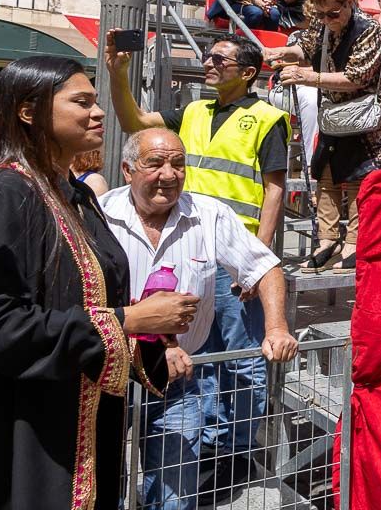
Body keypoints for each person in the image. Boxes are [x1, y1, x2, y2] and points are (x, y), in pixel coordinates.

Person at [0, 56, 193, 510]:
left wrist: (149, 330)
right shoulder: (6, 192)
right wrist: (126, 320)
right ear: (29, 111)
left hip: (90, 419)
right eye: (82, 102)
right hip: (33, 429)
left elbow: (95, 297)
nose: (98, 113)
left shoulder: (77, 195)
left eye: (97, 102)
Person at [106, 29, 290, 478]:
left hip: (232, 257)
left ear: (248, 73)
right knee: (195, 359)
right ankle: (201, 443)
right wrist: (118, 74)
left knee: (242, 361)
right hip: (185, 247)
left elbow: (274, 189)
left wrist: (256, 261)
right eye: (208, 57)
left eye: (220, 60)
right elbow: (134, 122)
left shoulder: (267, 117)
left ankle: (235, 451)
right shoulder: (191, 111)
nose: (209, 64)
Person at [100, 128, 298, 509]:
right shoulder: (100, 215)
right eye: (154, 163)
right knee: (103, 484)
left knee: (175, 495)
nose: (169, 174)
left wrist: (276, 327)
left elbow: (264, 267)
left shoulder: (210, 215)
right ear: (127, 170)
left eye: (178, 164)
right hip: (111, 376)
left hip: (177, 382)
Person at [265, 0, 381, 273]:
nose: (328, 20)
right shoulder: (322, 21)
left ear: (351, 1)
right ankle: (326, 241)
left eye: (334, 14)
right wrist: (282, 53)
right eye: (322, 14)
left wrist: (306, 76)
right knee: (324, 175)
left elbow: (357, 77)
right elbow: (307, 49)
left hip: (369, 117)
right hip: (335, 114)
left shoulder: (368, 28)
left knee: (358, 178)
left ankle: (354, 242)